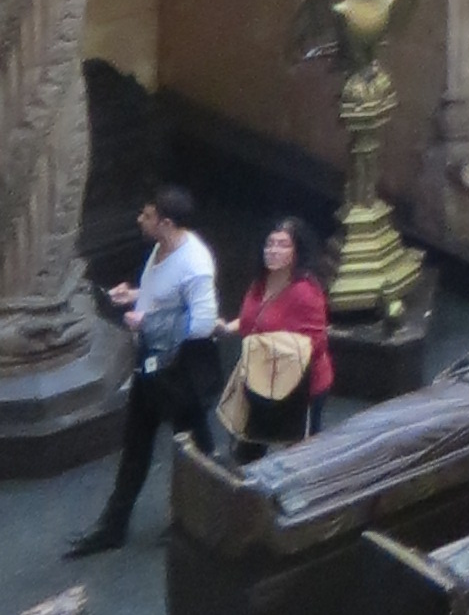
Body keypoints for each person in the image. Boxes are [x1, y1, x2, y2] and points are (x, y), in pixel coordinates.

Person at [66, 190, 222, 554]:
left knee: (195, 450)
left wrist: (148, 322)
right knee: (136, 443)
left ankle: (199, 517)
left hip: (180, 372)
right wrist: (136, 295)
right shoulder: (161, 248)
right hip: (152, 363)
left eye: (147, 215)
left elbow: (202, 323)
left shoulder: (195, 263)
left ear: (166, 223)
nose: (140, 219)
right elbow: (165, 297)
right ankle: (113, 526)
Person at [227, 220, 332, 450]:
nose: (273, 250)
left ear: (296, 252)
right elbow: (251, 320)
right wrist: (228, 327)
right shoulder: (259, 284)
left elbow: (317, 343)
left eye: (283, 245)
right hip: (260, 376)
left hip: (299, 385)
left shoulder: (305, 291)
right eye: (270, 244)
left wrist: (268, 345)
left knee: (298, 451)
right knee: (249, 444)